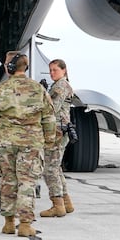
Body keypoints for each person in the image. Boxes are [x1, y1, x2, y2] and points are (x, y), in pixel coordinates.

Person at [0, 52, 55, 237]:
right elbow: (49, 118)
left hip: (5, 142)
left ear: (9, 68)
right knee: (27, 182)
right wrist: (48, 140)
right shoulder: (38, 89)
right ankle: (25, 224)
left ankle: (8, 223)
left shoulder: (0, 89)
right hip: (31, 143)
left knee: (7, 180)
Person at [40, 59, 76, 217]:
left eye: (55, 70)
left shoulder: (61, 86)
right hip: (60, 130)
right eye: (50, 70)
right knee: (56, 168)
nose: (52, 73)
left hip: (57, 131)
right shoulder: (60, 85)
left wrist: (42, 94)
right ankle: (66, 203)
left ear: (64, 70)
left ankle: (58, 205)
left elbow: (52, 108)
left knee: (50, 169)